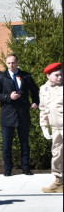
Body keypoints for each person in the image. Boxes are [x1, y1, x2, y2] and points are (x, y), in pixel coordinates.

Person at [0, 54, 40, 176]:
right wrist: (8, 97)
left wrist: (35, 102)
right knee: (7, 144)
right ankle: (8, 168)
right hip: (7, 114)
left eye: (13, 62)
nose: (11, 65)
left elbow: (35, 90)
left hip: (23, 113)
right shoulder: (2, 77)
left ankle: (25, 167)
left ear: (18, 62)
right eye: (8, 63)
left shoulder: (26, 76)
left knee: (24, 142)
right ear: (6, 63)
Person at [39, 62, 62, 193]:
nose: (60, 77)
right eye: (57, 75)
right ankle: (59, 182)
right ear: (48, 76)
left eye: (61, 75)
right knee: (57, 154)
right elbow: (43, 109)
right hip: (56, 128)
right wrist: (44, 126)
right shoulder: (44, 89)